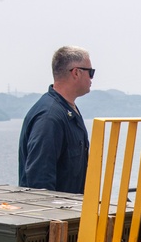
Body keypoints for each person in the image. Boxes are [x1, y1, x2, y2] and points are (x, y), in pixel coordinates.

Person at [18, 46, 94, 193]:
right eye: (90, 72)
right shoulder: (49, 117)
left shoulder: (68, 111)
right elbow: (39, 180)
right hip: (55, 213)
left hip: (70, 210)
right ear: (76, 72)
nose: (91, 78)